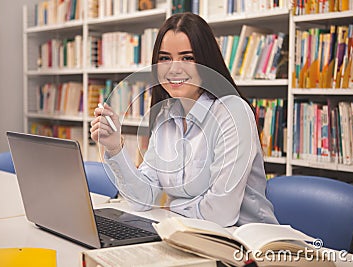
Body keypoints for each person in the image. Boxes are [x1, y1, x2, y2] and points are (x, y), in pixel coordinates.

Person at [90, 12, 278, 227]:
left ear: (206, 62)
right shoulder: (165, 115)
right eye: (165, 58)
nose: (174, 69)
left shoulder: (233, 112)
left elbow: (220, 214)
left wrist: (172, 206)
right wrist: (115, 147)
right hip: (187, 234)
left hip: (243, 243)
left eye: (187, 58)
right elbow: (142, 199)